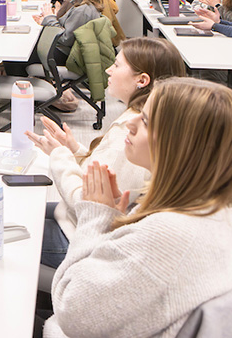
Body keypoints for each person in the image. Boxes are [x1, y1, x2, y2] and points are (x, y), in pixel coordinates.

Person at [42, 77, 232, 338]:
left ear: (179, 144)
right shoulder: (211, 210)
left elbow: (71, 311)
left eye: (144, 121)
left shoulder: (169, 233)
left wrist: (95, 218)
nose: (128, 123)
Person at [26, 37, 186, 268]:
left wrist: (60, 156)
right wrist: (75, 149)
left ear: (142, 80)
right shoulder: (140, 119)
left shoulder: (131, 133)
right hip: (81, 225)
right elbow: (107, 174)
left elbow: (88, 204)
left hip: (81, 239)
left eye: (117, 65)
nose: (109, 69)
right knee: (19, 210)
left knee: (7, 227)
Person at [33, 0, 104, 66]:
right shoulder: (80, 5)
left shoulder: (82, 10)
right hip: (65, 50)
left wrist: (49, 18)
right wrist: (47, 19)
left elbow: (65, 39)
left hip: (65, 54)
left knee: (20, 56)